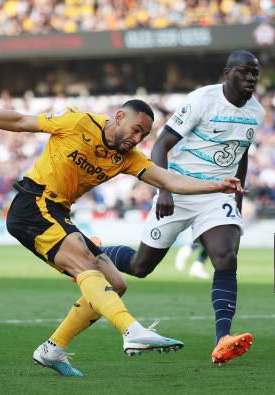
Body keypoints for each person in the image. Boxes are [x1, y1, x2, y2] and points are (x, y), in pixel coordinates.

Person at [0, 93, 244, 377]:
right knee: (85, 265)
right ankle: (132, 331)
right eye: (136, 130)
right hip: (33, 204)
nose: (137, 139)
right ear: (118, 116)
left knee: (116, 283)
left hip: (57, 213)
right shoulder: (78, 123)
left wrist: (216, 186)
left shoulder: (128, 157)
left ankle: (53, 348)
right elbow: (21, 121)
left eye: (143, 136)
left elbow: (167, 178)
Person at [92, 50, 264, 365]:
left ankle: (222, 338)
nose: (251, 78)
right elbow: (160, 145)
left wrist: (236, 198)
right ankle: (95, 251)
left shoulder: (256, 112)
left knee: (226, 256)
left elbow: (242, 153)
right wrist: (164, 188)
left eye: (255, 73)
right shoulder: (201, 100)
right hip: (178, 188)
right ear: (227, 73)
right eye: (244, 71)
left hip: (216, 194)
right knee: (141, 266)